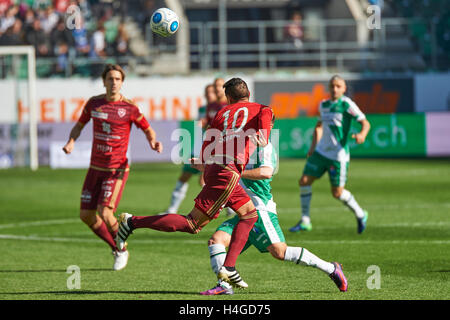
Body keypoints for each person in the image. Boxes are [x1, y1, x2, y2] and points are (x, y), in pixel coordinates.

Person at [116, 78, 274, 288]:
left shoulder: (220, 113)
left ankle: (229, 267)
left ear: (229, 97)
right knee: (192, 223)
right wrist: (263, 137)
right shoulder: (263, 109)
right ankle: (132, 223)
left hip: (216, 169)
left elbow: (208, 141)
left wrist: (202, 164)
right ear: (248, 94)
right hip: (228, 172)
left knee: (249, 214)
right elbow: (264, 131)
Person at [200, 132, 348, 295]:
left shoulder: (265, 147)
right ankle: (224, 285)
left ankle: (331, 269)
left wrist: (235, 173)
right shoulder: (238, 146)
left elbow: (266, 172)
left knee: (280, 252)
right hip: (244, 212)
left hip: (260, 210)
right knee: (216, 241)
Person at [62, 64, 163, 271]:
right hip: (95, 168)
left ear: (122, 82)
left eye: (117, 79)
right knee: (86, 216)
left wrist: (153, 142)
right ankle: (115, 247)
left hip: (116, 169)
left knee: (106, 213)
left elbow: (148, 129)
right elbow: (80, 125)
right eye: (110, 78)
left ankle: (122, 249)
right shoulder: (94, 104)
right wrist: (71, 141)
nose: (114, 82)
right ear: (104, 81)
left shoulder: (129, 108)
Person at [290, 75, 370, 234]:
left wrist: (362, 135)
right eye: (332, 86)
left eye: (338, 86)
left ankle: (361, 214)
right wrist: (313, 147)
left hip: (338, 156)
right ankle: (305, 221)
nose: (335, 89)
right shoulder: (323, 105)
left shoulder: (347, 104)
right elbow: (319, 127)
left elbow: (365, 123)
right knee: (304, 181)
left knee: (337, 193)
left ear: (344, 88)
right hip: (320, 152)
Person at [162, 83, 216, 214]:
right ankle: (172, 208)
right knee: (184, 177)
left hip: (211, 150)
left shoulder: (221, 109)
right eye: (207, 92)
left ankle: (219, 206)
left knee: (205, 180)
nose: (209, 95)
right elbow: (200, 127)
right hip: (198, 148)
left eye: (211, 92)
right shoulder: (202, 109)